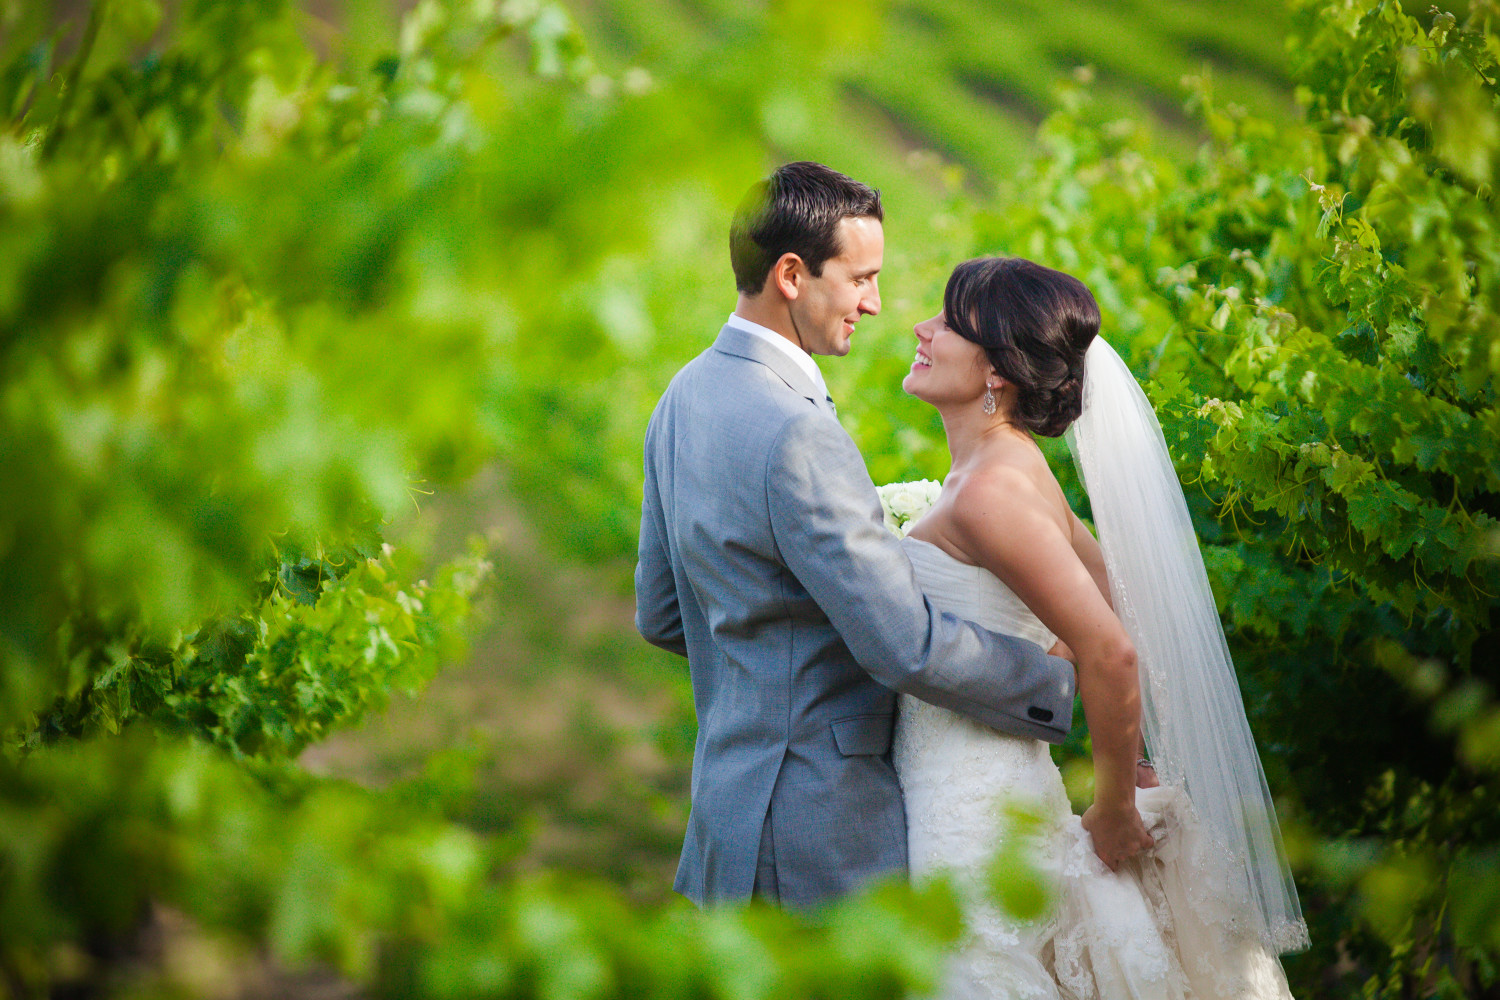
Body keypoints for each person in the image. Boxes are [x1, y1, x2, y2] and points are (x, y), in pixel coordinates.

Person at [634, 163, 1078, 908]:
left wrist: (766, 667)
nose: (874, 305)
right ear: (791, 275)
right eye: (861, 278)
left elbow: (662, 614)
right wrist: (1053, 679)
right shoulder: (797, 432)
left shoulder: (682, 395)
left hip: (725, 809)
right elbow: (901, 644)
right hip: (817, 829)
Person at [894, 256, 1308, 998]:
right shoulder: (1009, 465)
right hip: (981, 782)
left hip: (970, 806)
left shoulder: (990, 490)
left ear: (999, 372)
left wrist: (1115, 804)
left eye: (950, 323)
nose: (922, 330)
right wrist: (1036, 658)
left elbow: (1111, 648)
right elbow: (1117, 590)